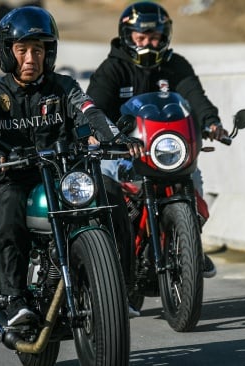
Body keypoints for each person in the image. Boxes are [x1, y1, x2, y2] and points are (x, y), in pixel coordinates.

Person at [0, 6, 140, 326]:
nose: (30, 58)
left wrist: (115, 139)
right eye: (22, 50)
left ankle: (121, 289)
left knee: (112, 191)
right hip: (15, 176)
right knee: (7, 205)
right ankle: (11, 297)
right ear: (7, 53)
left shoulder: (65, 87)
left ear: (49, 52)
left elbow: (91, 113)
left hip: (64, 175)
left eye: (38, 49)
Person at [87, 1, 227, 281]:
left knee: (194, 181)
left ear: (165, 37)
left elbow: (195, 98)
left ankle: (190, 245)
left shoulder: (175, 66)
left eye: (155, 38)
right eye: (141, 38)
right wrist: (101, 134)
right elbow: (96, 107)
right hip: (122, 153)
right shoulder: (112, 69)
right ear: (128, 37)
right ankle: (111, 264)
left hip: (165, 152)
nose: (149, 44)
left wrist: (211, 121)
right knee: (106, 195)